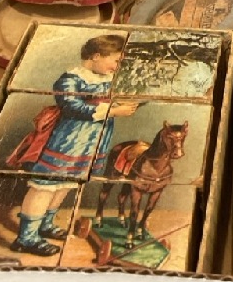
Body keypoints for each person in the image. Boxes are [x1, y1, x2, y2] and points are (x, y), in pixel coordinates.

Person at [8, 33, 137, 257]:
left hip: (91, 143)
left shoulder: (108, 78)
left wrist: (123, 103)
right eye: (116, 61)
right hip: (67, 141)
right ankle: (26, 238)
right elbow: (72, 107)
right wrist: (114, 110)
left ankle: (45, 225)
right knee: (44, 187)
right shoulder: (70, 79)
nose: (118, 67)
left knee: (65, 186)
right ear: (96, 56)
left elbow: (111, 98)